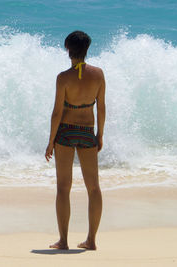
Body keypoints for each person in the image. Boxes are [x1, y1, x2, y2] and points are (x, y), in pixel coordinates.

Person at [45, 31, 105, 250]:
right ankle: (91, 240)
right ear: (87, 49)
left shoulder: (63, 78)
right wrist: (100, 134)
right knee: (94, 188)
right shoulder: (98, 74)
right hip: (87, 130)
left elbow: (56, 113)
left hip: (66, 132)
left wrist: (51, 141)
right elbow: (102, 106)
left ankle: (63, 241)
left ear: (68, 50)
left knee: (63, 187)